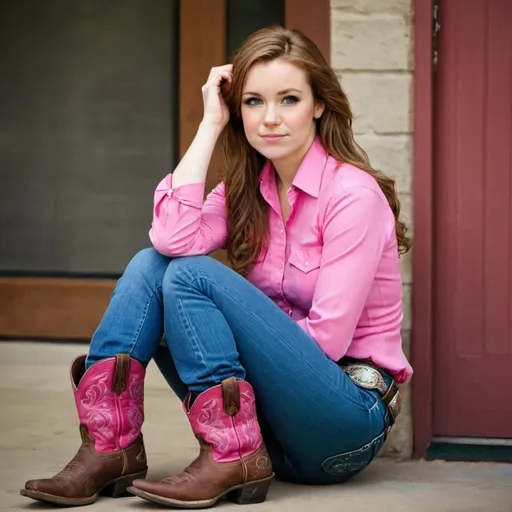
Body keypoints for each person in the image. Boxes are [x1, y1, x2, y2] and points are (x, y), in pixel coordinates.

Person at [21, 25, 413, 508]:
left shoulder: (351, 196)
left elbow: (327, 344)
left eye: (288, 99)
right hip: (269, 431)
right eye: (253, 102)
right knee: (153, 264)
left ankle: (229, 451)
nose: (270, 118)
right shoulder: (246, 190)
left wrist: (230, 331)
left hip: (341, 424)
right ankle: (110, 447)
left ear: (319, 104)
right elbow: (170, 237)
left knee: (188, 276)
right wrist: (210, 124)